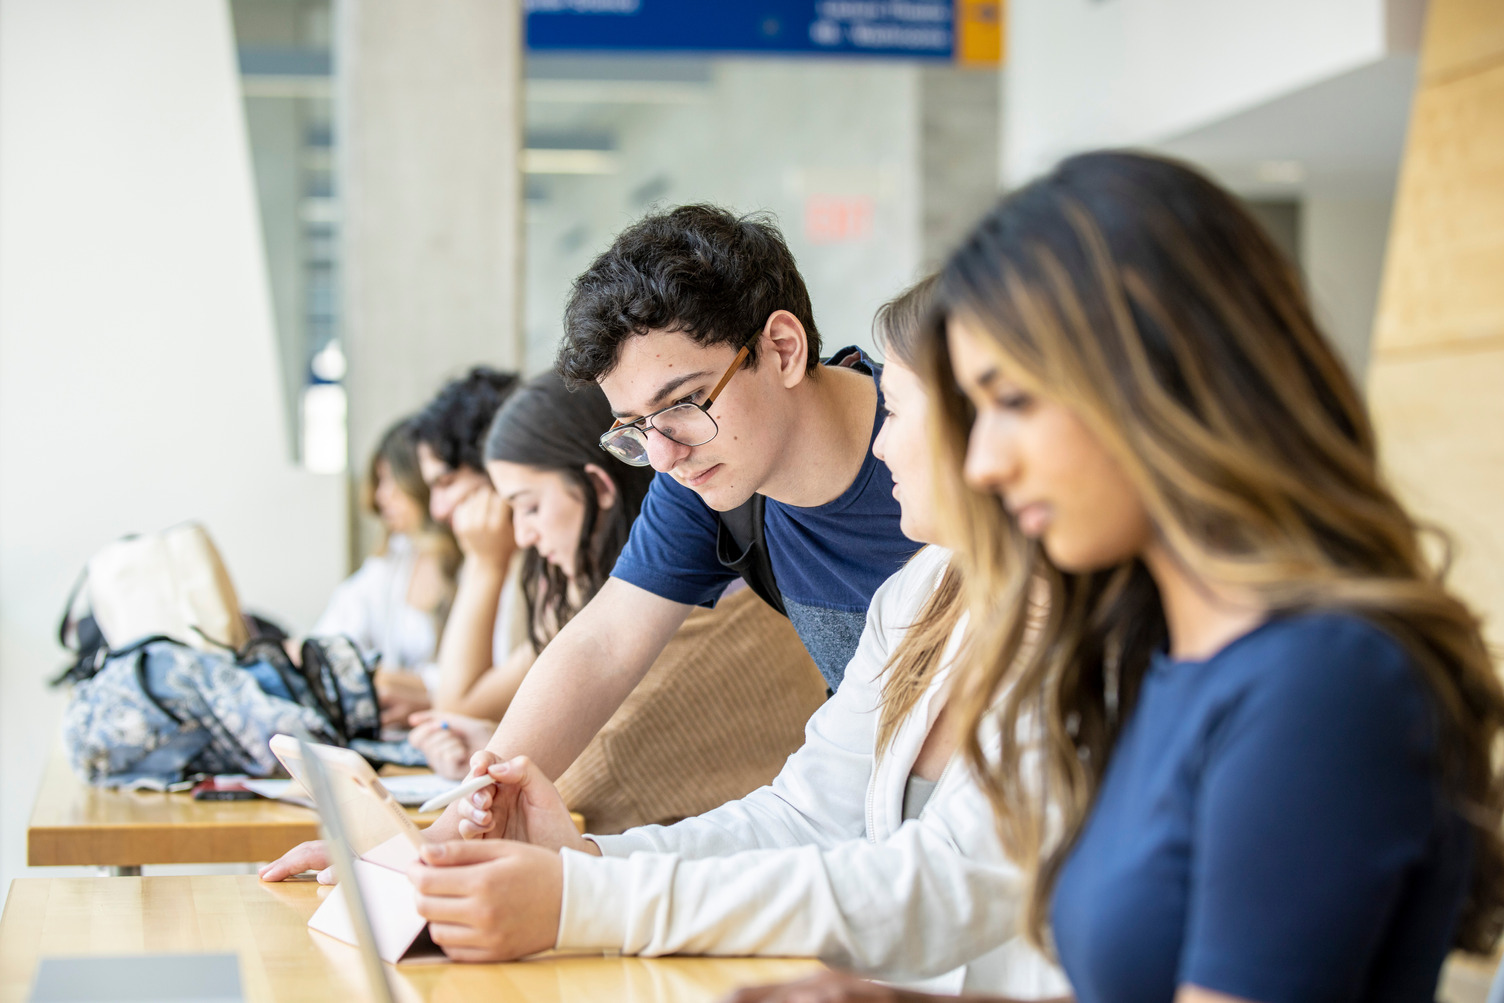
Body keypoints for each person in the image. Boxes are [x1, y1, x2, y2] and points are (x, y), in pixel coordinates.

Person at [735, 151, 1504, 1002]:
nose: (982, 462)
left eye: (1012, 402)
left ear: (1151, 383)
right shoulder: (1161, 651)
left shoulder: (1319, 681)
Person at [264, 281, 1070, 996]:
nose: (664, 452)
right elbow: (802, 812)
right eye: (637, 427)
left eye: (900, 409)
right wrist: (566, 863)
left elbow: (933, 883)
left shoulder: (1096, 632)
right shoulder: (922, 589)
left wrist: (581, 897)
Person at [406, 371, 827, 835]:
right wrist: (492, 748)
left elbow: (581, 779)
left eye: (529, 506)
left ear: (600, 487)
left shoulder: (690, 612)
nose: (522, 535)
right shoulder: (601, 596)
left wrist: (485, 567)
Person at [310, 418, 459, 728]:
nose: (381, 496)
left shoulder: (475, 562)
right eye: (379, 481)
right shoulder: (395, 558)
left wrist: (423, 690)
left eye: (391, 480)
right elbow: (332, 637)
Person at [396, 365, 523, 723]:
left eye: (447, 482)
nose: (437, 510)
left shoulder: (555, 565)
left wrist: (486, 565)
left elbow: (457, 706)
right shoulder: (501, 556)